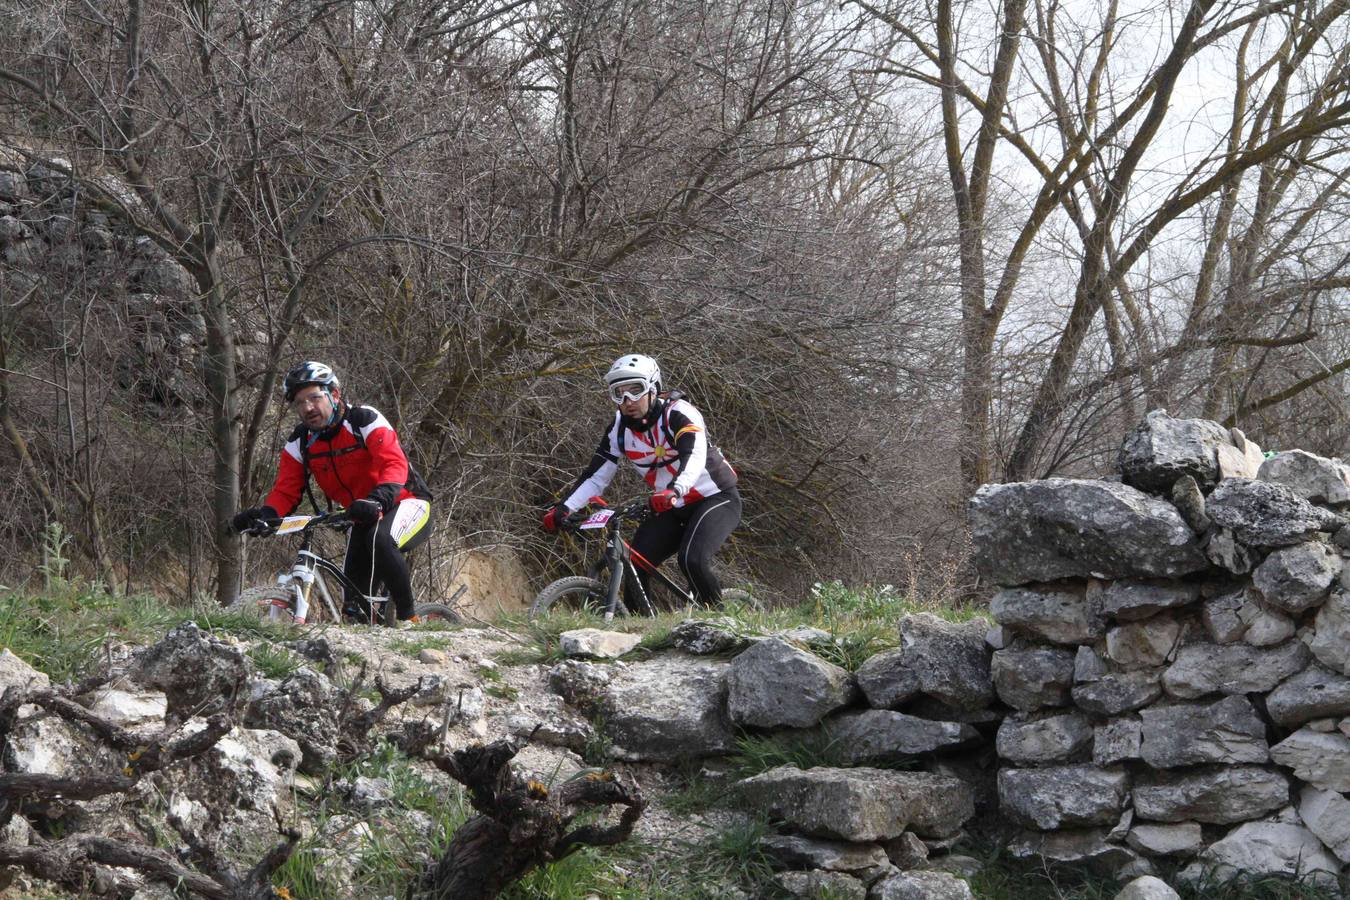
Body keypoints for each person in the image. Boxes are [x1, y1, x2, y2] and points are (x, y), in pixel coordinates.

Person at [232, 361, 433, 623]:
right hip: (363, 515)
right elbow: (286, 489)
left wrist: (377, 499)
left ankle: (410, 619)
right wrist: (266, 516)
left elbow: (393, 463)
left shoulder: (363, 420)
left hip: (407, 502)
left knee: (379, 540)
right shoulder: (300, 442)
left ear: (334, 394)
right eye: (300, 403)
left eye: (314, 398)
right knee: (355, 604)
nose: (307, 408)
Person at [543, 353, 741, 606]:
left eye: (635, 390)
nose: (627, 401)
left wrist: (675, 489)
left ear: (653, 388)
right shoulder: (619, 428)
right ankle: (637, 630)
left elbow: (695, 455)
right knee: (635, 564)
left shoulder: (679, 413)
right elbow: (596, 475)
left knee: (692, 559)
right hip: (670, 505)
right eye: (618, 393)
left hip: (715, 497)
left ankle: (720, 623)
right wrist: (565, 508)